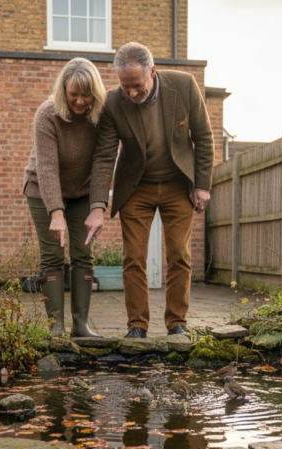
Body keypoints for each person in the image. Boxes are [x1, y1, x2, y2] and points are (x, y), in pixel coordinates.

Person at [91, 42, 214, 339]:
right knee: (133, 258)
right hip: (136, 187)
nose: (131, 93)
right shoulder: (112, 102)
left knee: (179, 256)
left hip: (176, 183)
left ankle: (177, 322)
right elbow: (105, 156)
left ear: (153, 72)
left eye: (137, 86)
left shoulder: (183, 85)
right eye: (125, 87)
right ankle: (137, 325)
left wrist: (202, 186)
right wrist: (97, 205)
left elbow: (203, 136)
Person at [22, 57, 107, 337]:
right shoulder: (48, 114)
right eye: (74, 94)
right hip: (42, 190)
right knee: (52, 255)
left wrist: (97, 206)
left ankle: (81, 325)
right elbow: (47, 167)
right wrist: (55, 213)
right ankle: (55, 326)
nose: (81, 101)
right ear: (64, 91)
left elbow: (102, 162)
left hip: (83, 190)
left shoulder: (101, 116)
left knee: (84, 253)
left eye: (87, 95)